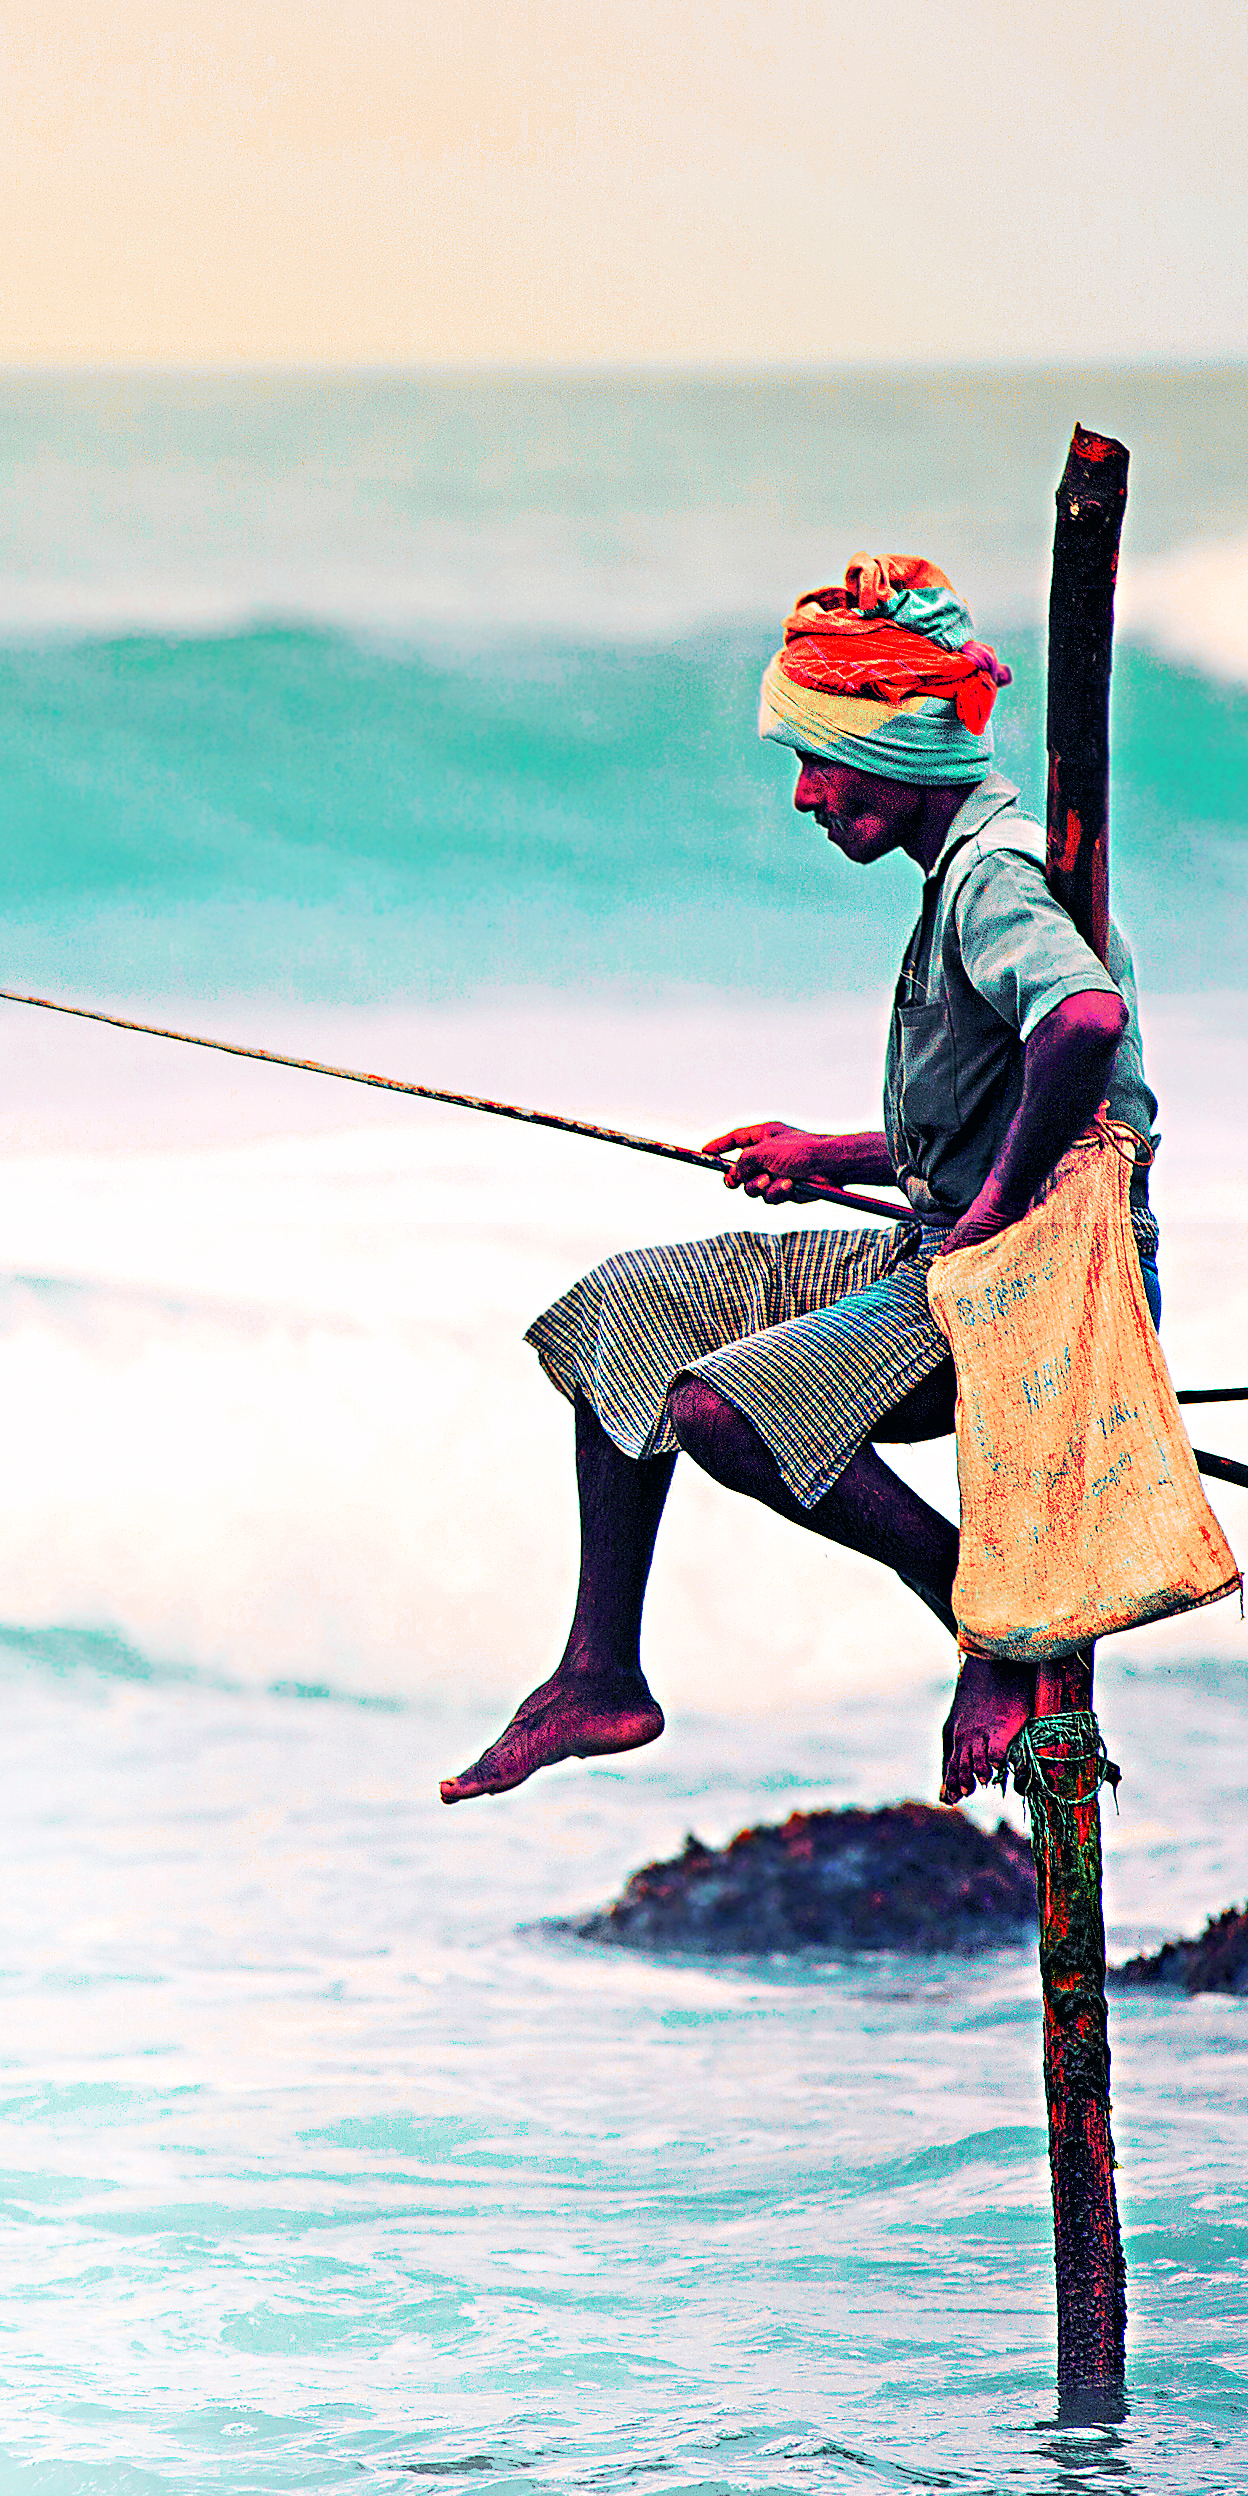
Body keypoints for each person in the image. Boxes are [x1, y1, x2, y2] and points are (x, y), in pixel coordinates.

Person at [442, 554, 1155, 1810]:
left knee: (726, 1409)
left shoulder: (994, 871)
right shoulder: (962, 869)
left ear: (896, 749)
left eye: (817, 760)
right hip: (946, 1241)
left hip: (1031, 1283)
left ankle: (990, 1622)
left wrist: (988, 1220)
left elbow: (1084, 1026)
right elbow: (999, 1106)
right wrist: (826, 1157)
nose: (806, 796)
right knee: (626, 1309)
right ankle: (599, 1671)